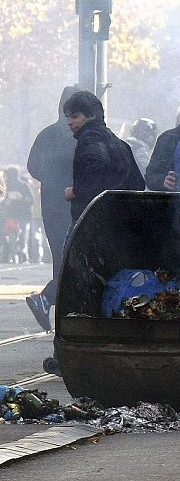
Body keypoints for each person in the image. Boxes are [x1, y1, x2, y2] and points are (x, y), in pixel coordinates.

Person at [43, 90, 145, 376]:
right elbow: (138, 183)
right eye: (67, 117)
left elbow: (94, 169)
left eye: (74, 116)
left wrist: (77, 191)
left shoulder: (90, 141)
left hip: (88, 227)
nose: (70, 123)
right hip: (119, 229)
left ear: (88, 116)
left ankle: (65, 357)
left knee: (72, 291)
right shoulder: (120, 143)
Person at [25, 86, 79, 331]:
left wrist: (51, 178)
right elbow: (34, 166)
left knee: (63, 257)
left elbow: (33, 166)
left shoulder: (48, 134)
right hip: (70, 203)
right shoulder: (74, 134)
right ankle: (54, 305)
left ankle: (54, 305)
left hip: (54, 205)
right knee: (71, 258)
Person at [1, 166, 34, 263]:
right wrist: (6, 202)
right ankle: (14, 256)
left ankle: (23, 256)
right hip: (12, 215)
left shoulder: (24, 185)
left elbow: (31, 199)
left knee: (23, 236)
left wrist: (21, 198)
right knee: (12, 237)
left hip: (24, 215)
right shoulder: (8, 186)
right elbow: (4, 201)